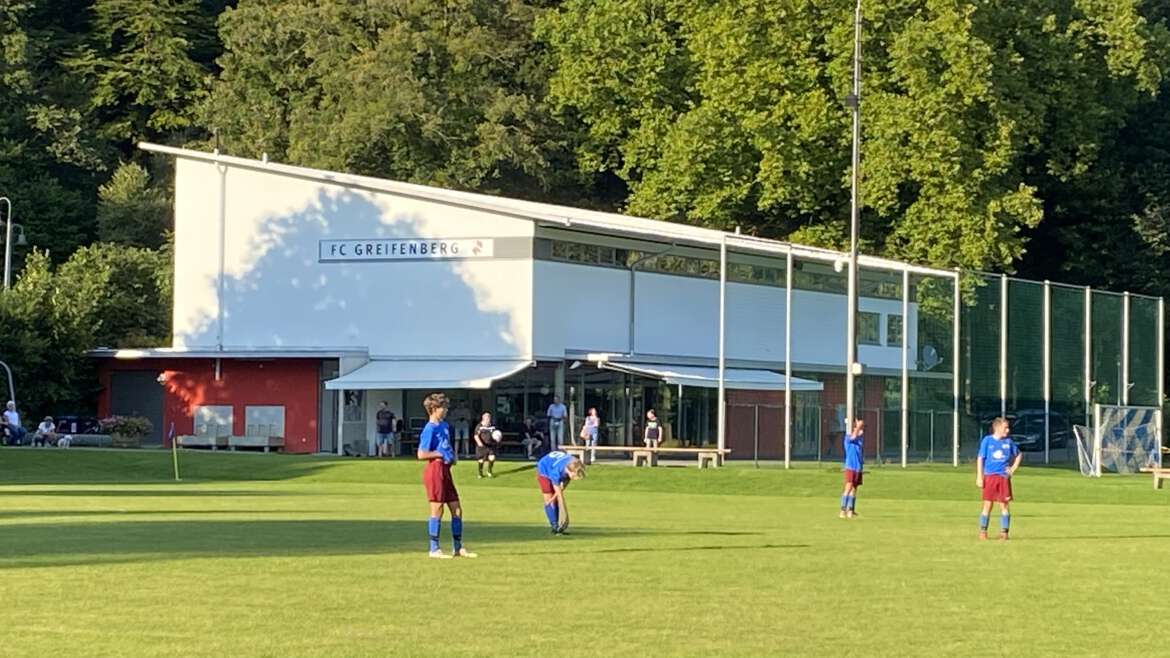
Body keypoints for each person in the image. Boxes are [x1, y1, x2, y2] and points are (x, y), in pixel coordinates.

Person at [416, 392, 475, 559]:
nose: (446, 410)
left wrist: (451, 456)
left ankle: (458, 547)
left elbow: (446, 446)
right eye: (444, 407)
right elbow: (421, 454)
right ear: (434, 409)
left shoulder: (444, 426)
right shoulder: (430, 428)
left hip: (446, 470)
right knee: (437, 509)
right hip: (435, 470)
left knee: (457, 509)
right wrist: (439, 454)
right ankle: (434, 548)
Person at [977, 417, 1022, 541]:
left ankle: (1004, 533)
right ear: (997, 428)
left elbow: (1018, 455)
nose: (1007, 430)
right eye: (1005, 428)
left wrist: (1013, 468)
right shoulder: (987, 441)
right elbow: (981, 458)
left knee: (1004, 505)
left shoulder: (1008, 442)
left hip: (1003, 478)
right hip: (990, 476)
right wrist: (979, 476)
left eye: (1008, 428)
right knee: (987, 504)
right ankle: (983, 531)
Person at [536, 449, 586, 535]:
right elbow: (559, 494)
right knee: (550, 499)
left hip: (555, 465)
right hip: (544, 469)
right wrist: (565, 515)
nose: (575, 478)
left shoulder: (574, 463)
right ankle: (555, 526)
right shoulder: (557, 472)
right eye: (574, 475)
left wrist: (556, 499)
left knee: (555, 500)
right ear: (569, 471)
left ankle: (558, 526)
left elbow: (565, 483)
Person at [839, 419, 864, 519]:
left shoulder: (860, 439)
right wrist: (857, 427)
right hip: (850, 466)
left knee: (854, 489)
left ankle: (851, 510)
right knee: (848, 488)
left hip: (858, 467)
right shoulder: (848, 438)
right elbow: (853, 436)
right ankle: (842, 510)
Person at [473, 411, 499, 479]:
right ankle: (480, 473)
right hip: (481, 447)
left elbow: (496, 434)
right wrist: (479, 443)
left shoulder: (493, 426)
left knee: (492, 458)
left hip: (490, 446)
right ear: (483, 418)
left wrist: (497, 439)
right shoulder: (479, 426)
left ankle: (489, 471)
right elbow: (476, 436)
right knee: (481, 460)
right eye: (487, 418)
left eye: (489, 418)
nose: (488, 419)